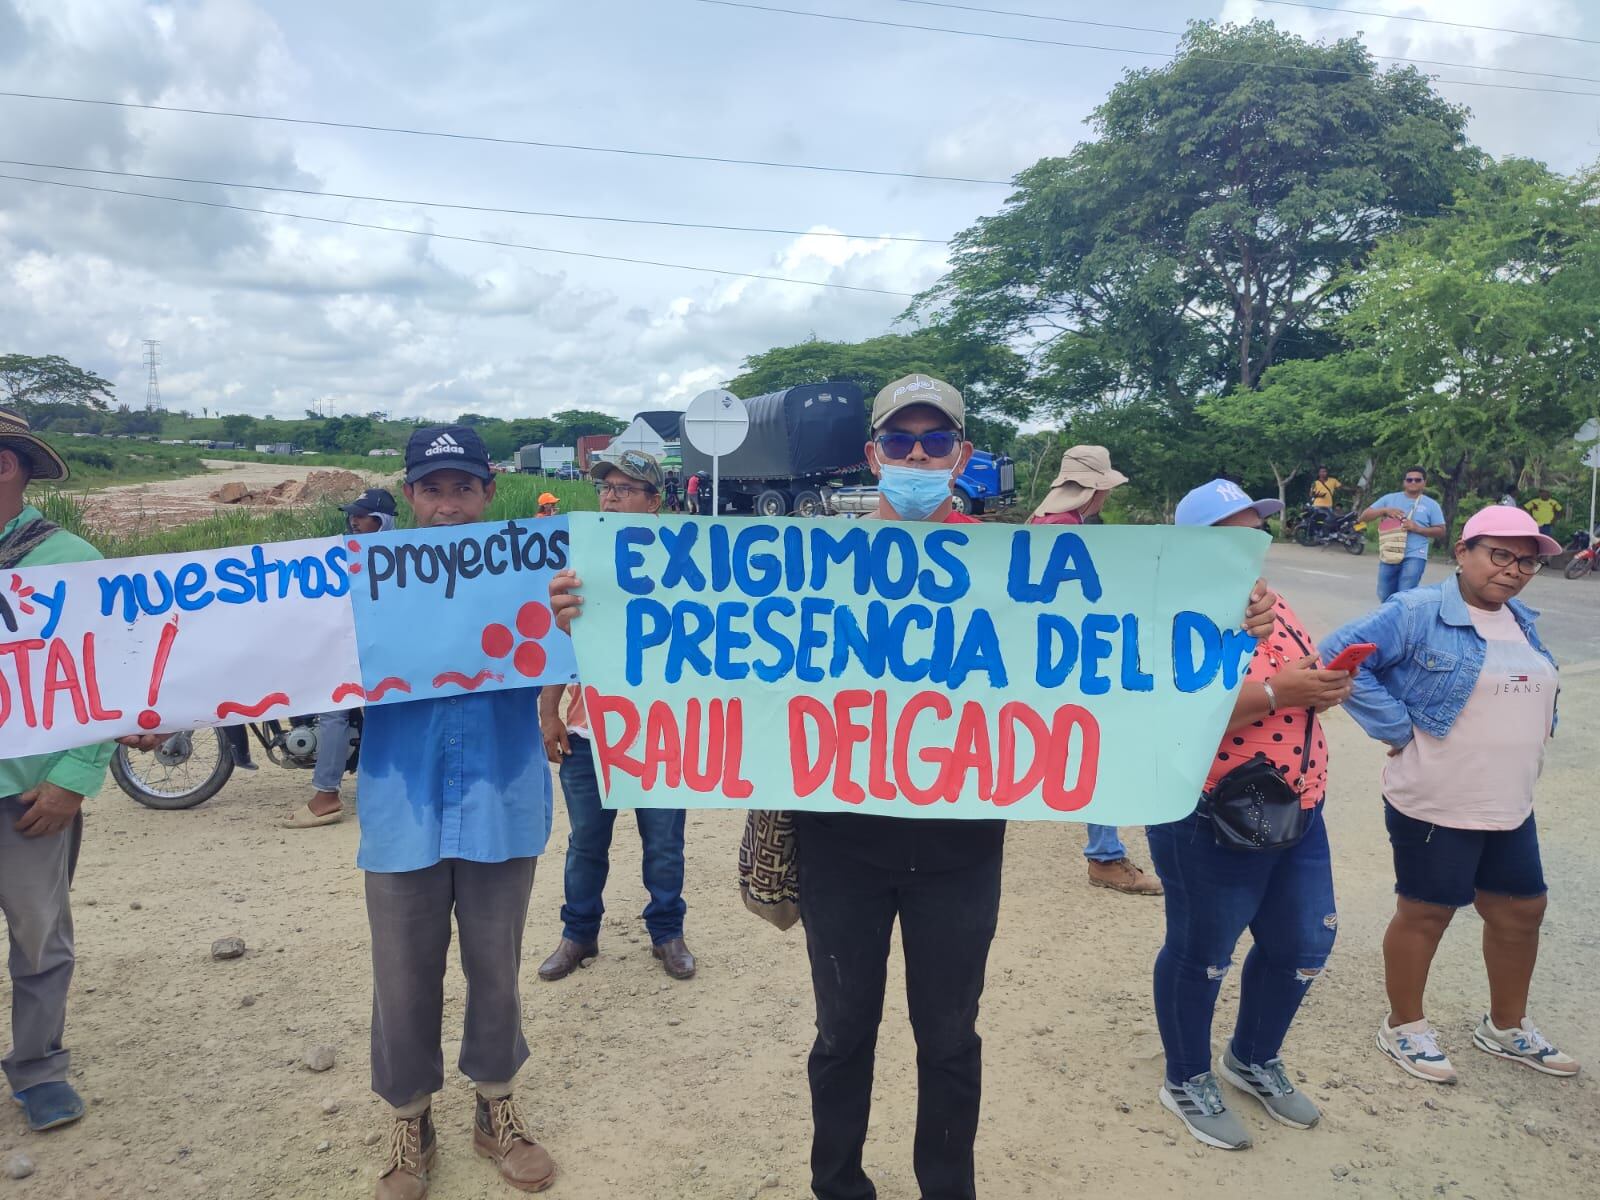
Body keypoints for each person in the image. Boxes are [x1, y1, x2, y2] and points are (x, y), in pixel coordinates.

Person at [359, 425, 557, 1199]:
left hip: (500, 799)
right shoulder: (362, 584)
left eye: (463, 488)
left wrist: (574, 616)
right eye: (432, 488)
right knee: (402, 975)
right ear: (409, 496)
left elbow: (588, 647)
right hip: (400, 804)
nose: (448, 505)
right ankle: (410, 1116)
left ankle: (495, 1108)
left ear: (488, 493)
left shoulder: (533, 578)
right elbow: (293, 653)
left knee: (496, 968)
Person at [1320, 506, 1578, 1086]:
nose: (1514, 570)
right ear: (1462, 552)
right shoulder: (1415, 612)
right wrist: (1397, 728)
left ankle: (1505, 1027)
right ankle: (1404, 1026)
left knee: (1521, 911)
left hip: (1509, 798)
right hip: (1437, 795)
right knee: (1427, 912)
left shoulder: (1520, 618)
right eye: (1500, 554)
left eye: (1528, 561)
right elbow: (1339, 658)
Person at [1149, 479, 1354, 1152]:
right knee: (1203, 951)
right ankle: (1185, 1077)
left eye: (1255, 528)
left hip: (1297, 801)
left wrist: (1318, 688)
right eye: (1231, 531)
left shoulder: (1272, 598)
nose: (1250, 544)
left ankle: (1252, 1056)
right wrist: (1277, 691)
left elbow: (1297, 676)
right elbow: (1165, 710)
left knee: (1303, 941)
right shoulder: (1165, 608)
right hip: (1210, 810)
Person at [536, 449, 695, 984]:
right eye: (605, 487)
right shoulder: (582, 565)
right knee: (585, 843)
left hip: (662, 731)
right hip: (588, 729)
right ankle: (578, 934)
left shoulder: (690, 566)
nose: (610, 496)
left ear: (654, 502)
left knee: (665, 843)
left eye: (626, 488)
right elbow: (563, 644)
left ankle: (667, 933)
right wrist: (549, 711)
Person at [0, 408, 113, 1134]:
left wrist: (75, 774)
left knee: (40, 934)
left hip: (30, 793)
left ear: (5, 467)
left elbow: (111, 673)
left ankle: (39, 1067)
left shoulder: (70, 559)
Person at [1029, 446, 1161, 897]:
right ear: (1096, 491)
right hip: (1074, 664)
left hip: (1041, 661)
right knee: (1102, 751)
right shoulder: (1071, 535)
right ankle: (1104, 855)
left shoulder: (1038, 524)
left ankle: (1105, 850)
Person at [1360, 468, 1446, 601]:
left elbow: (1441, 531)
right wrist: (1384, 510)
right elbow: (1364, 516)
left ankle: (1401, 620)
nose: (1413, 482)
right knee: (1384, 594)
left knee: (1405, 595)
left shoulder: (1431, 505)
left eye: (1417, 480)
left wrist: (1417, 528)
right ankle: (1390, 619)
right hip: (1389, 552)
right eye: (1409, 479)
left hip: (1415, 554)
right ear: (1404, 482)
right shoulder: (1389, 499)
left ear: (1424, 482)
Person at [1308, 466, 1340, 538]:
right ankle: (1318, 535)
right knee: (1316, 521)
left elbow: (1341, 487)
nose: (1323, 473)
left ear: (1327, 473)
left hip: (1328, 506)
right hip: (1317, 506)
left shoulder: (1333, 481)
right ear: (1319, 473)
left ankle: (1328, 535)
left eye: (1324, 471)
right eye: (1321, 472)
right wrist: (1317, 495)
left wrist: (1353, 490)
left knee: (1330, 521)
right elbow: (1310, 494)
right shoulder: (1315, 483)